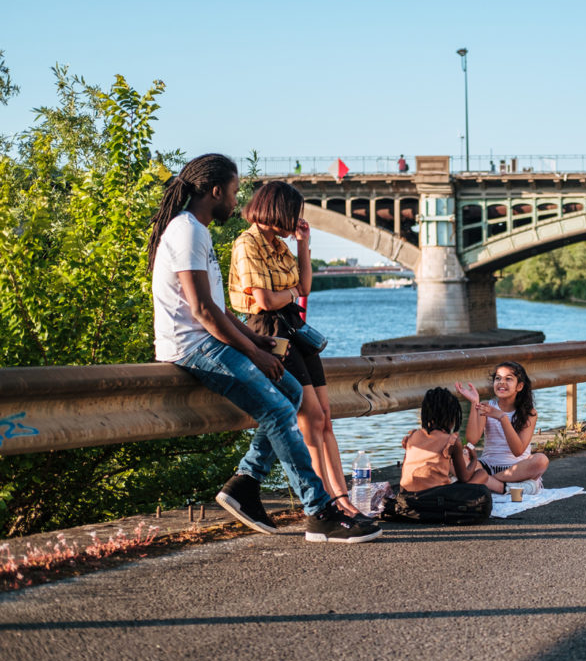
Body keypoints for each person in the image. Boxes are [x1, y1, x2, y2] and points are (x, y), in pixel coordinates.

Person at [147, 153, 380, 544]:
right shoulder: (187, 231)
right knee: (279, 410)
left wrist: (257, 341)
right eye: (234, 192)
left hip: (211, 339)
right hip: (191, 346)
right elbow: (202, 311)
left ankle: (245, 482)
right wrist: (255, 353)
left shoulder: (198, 231)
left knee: (291, 393)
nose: (236, 201)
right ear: (215, 191)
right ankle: (319, 511)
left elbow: (218, 309)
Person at [227, 181, 367, 521]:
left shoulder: (278, 245)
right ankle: (327, 502)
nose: (297, 219)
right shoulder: (247, 243)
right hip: (269, 331)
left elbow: (303, 287)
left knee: (326, 416)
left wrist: (304, 244)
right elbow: (264, 301)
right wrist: (289, 295)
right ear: (278, 211)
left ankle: (343, 498)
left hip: (294, 327)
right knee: (312, 419)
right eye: (294, 213)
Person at [455, 361, 549, 493]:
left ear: (519, 386)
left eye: (508, 379)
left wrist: (502, 418)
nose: (501, 382)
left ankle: (487, 481)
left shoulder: (529, 413)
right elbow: (472, 439)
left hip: (517, 470)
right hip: (487, 466)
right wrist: (474, 403)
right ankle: (502, 487)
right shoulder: (487, 406)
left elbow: (518, 451)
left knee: (541, 460)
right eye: (498, 378)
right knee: (453, 457)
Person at [399, 388, 504, 494]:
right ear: (452, 417)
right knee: (482, 474)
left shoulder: (413, 435)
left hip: (407, 496)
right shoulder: (451, 442)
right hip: (436, 499)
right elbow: (464, 478)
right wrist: (474, 459)